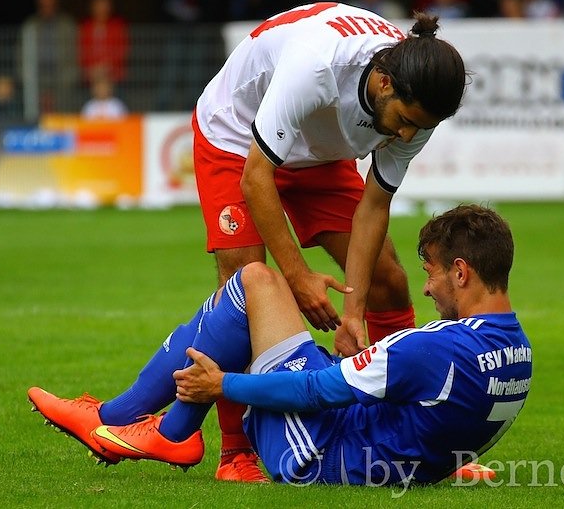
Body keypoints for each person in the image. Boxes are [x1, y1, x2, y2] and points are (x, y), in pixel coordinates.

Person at [28, 204, 532, 488]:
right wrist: (443, 461)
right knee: (259, 304)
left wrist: (220, 386)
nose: (426, 288)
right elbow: (435, 413)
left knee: (255, 280)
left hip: (314, 451)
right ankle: (141, 425)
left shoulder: (435, 348)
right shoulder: (520, 353)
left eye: (432, 274)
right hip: (375, 452)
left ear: (461, 272)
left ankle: (133, 422)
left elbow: (316, 392)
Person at [189, 2, 466, 481]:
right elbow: (257, 179)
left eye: (417, 127)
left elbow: (374, 207)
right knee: (246, 284)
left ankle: (400, 433)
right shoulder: (317, 64)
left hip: (320, 151)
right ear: (383, 84)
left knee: (387, 281)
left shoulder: (417, 104)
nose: (406, 133)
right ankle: (236, 453)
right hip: (236, 137)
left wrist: (353, 311)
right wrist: (297, 277)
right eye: (403, 120)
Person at [18, 0, 77, 113]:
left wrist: (71, 72)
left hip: (61, 73)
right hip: (37, 74)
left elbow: (75, 54)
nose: (47, 9)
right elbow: (20, 55)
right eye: (43, 5)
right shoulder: (30, 25)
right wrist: (24, 74)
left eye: (50, 5)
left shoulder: (67, 25)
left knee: (67, 84)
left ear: (56, 5)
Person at [78, 0, 129, 88]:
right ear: (92, 7)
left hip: (114, 74)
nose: (101, 9)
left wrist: (107, 68)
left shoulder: (118, 26)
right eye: (98, 5)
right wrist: (92, 69)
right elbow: (81, 51)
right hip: (90, 75)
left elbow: (122, 51)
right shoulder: (85, 27)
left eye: (105, 5)